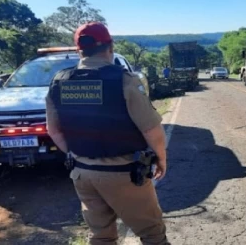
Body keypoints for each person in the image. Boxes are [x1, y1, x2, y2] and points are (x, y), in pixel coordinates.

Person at [45, 21, 170, 245]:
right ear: (110, 48)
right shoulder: (124, 80)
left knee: (101, 236)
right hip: (124, 172)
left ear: (78, 50)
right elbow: (151, 128)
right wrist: (161, 158)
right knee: (153, 234)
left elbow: (53, 131)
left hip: (82, 174)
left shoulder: (59, 82)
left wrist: (76, 154)